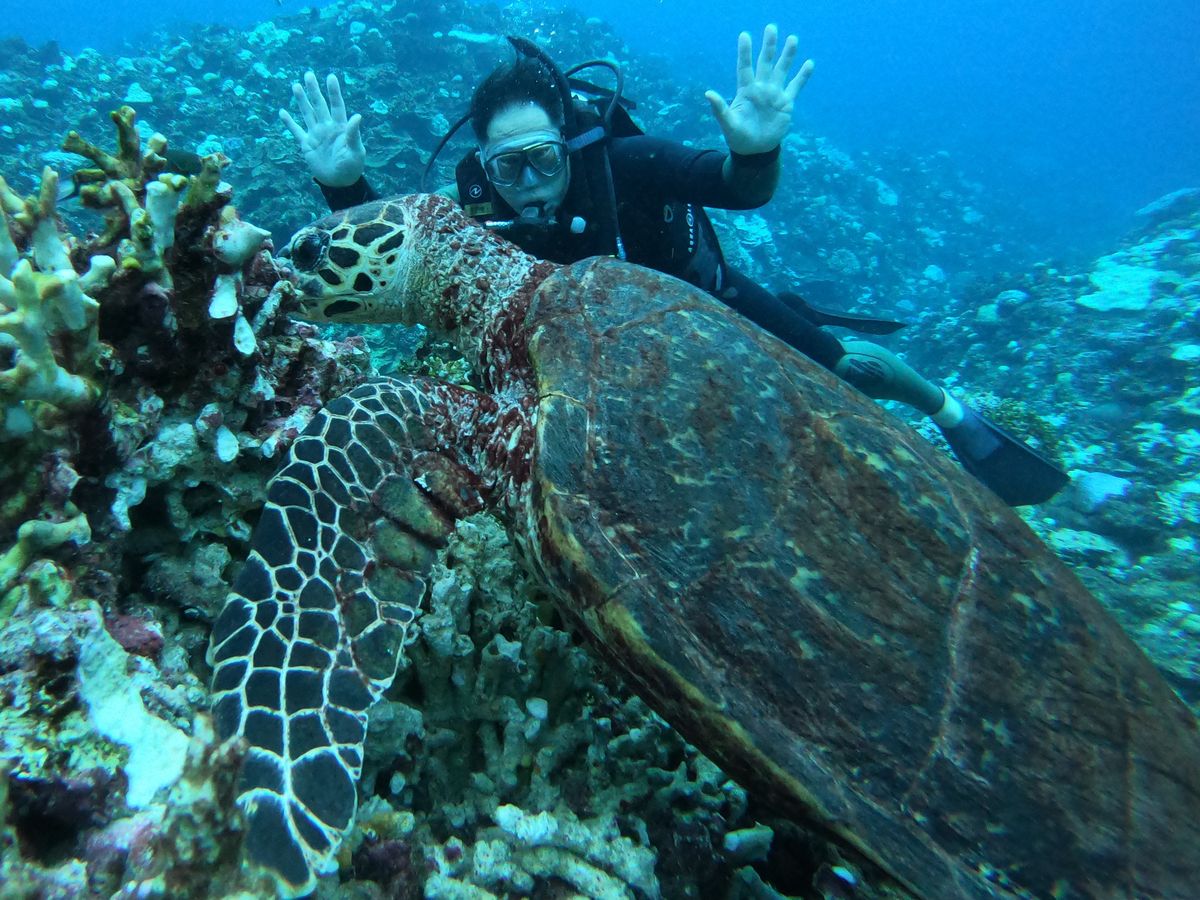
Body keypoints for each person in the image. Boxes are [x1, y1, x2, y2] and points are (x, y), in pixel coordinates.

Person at [279, 26, 1066, 506]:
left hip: (701, 302)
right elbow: (409, 256)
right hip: (595, 346)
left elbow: (734, 188)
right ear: (484, 167)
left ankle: (951, 413)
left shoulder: (625, 163)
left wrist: (756, 151)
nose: (529, 184)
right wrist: (344, 186)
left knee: (846, 372)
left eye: (543, 159)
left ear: (570, 144)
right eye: (506, 168)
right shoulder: (484, 205)